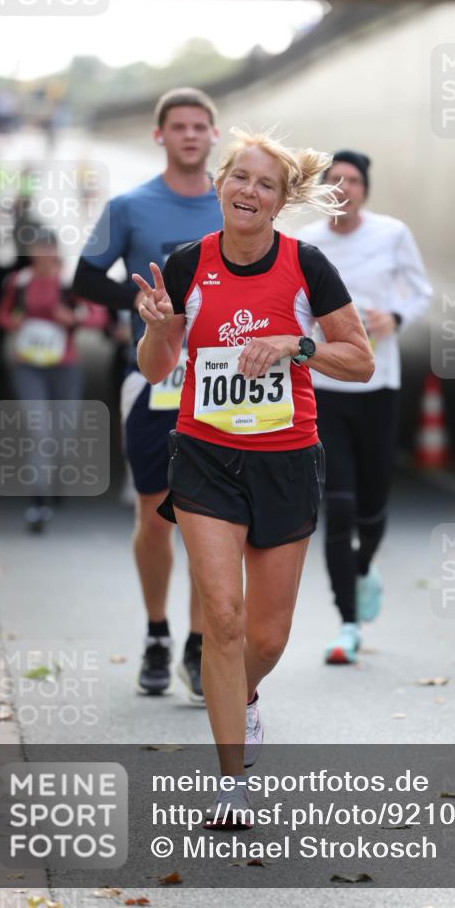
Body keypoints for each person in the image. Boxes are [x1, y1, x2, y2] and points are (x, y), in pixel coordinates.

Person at [134, 129, 374, 825]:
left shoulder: (307, 265)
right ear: (220, 186)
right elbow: (156, 368)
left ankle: (240, 698)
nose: (249, 191)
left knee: (266, 638)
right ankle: (231, 783)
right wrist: (157, 328)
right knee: (223, 619)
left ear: (279, 201)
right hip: (204, 454)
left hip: (286, 458)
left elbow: (359, 360)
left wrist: (296, 345)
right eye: (239, 177)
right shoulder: (187, 264)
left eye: (265, 184)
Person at [72, 88, 223, 702]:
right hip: (153, 381)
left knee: (211, 521)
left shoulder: (237, 203)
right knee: (155, 516)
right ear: (160, 136)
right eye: (178, 126)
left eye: (199, 126)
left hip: (224, 386)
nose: (189, 135)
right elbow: (83, 277)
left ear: (214, 135)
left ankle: (198, 644)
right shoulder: (128, 206)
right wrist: (136, 301)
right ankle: (158, 633)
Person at [302, 150, 432, 664]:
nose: (343, 187)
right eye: (334, 179)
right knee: (338, 506)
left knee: (372, 509)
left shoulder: (392, 234)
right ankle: (348, 622)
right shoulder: (306, 243)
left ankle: (362, 567)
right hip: (324, 388)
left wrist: (394, 318)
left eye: (352, 180)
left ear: (365, 190)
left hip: (379, 386)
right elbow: (294, 307)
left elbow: (421, 291)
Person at [0, 236, 103, 532]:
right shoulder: (20, 281)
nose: (43, 255)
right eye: (37, 249)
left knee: (62, 433)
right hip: (28, 367)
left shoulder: (69, 282)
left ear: (56, 251)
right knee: (38, 430)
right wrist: (14, 323)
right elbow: (2, 314)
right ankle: (39, 500)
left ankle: (55, 478)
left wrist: (72, 319)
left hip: (64, 367)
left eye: (48, 249)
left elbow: (98, 316)